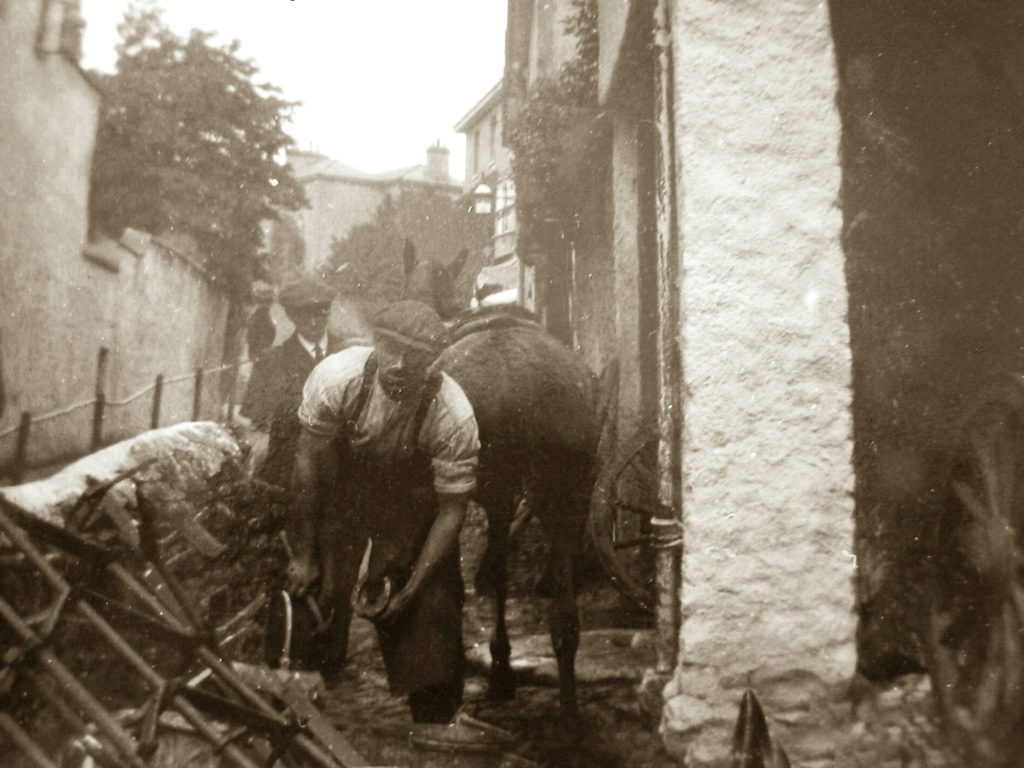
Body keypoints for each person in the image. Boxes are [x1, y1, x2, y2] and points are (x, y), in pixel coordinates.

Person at [285, 300, 479, 724]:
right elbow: (307, 465)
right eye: (390, 348)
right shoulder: (339, 379)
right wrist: (304, 553)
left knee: (430, 602)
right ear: (376, 342)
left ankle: (434, 718)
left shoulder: (452, 414)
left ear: (434, 363)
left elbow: (451, 512)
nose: (399, 364)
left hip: (409, 503)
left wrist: (410, 591)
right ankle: (293, 710)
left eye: (417, 357)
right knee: (307, 592)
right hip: (342, 491)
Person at [240, 276, 337, 488]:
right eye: (303, 315)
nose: (313, 323)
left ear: (328, 310)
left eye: (320, 312)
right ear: (291, 315)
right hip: (286, 478)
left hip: (341, 482)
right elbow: (259, 430)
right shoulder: (269, 363)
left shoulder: (350, 355)